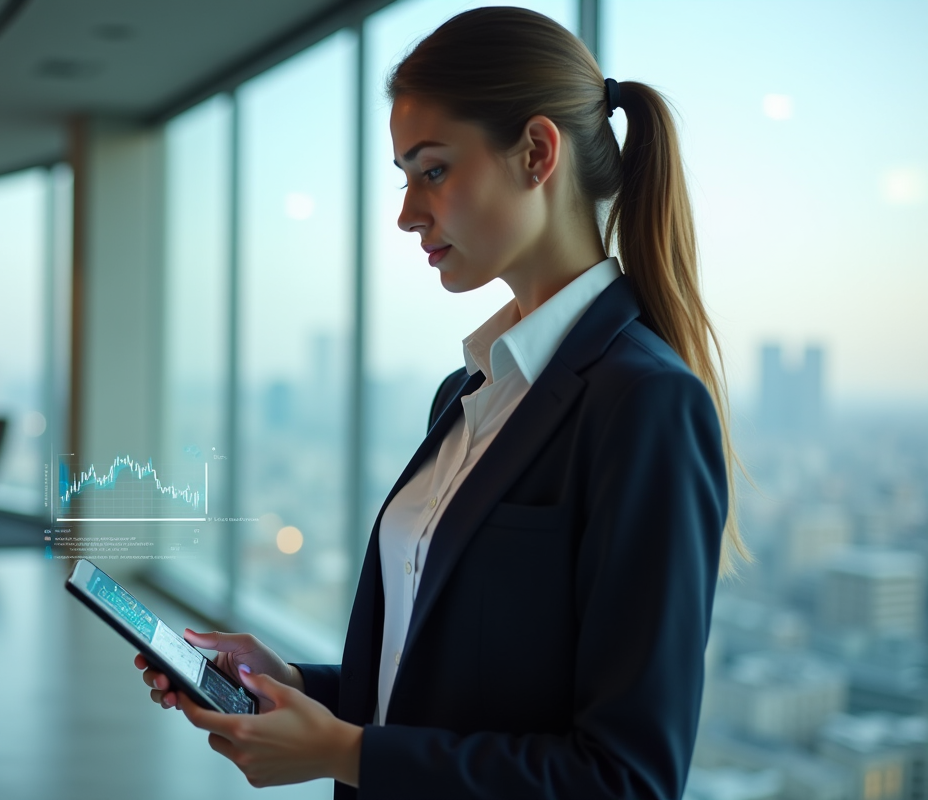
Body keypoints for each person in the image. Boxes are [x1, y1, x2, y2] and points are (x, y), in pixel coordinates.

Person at [135, 7, 748, 798]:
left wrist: (346, 755)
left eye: (432, 171)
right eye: (404, 177)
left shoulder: (646, 405)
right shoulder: (467, 394)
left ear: (536, 153)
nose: (405, 213)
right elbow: (437, 684)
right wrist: (289, 683)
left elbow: (625, 778)